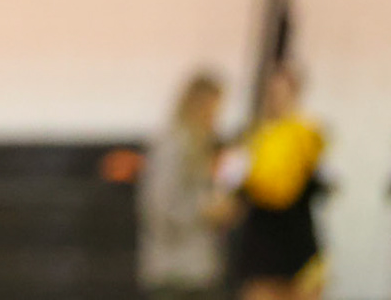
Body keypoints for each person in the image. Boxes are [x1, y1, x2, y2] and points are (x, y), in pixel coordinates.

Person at [222, 63, 330, 300]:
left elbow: (321, 185)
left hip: (297, 234)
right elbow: (231, 186)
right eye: (272, 93)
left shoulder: (307, 134)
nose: (277, 99)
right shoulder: (250, 137)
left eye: (283, 92)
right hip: (262, 236)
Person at [140, 71, 234, 300]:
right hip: (174, 273)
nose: (215, 116)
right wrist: (205, 211)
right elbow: (160, 205)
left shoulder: (201, 145)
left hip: (197, 270)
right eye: (213, 107)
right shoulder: (173, 144)